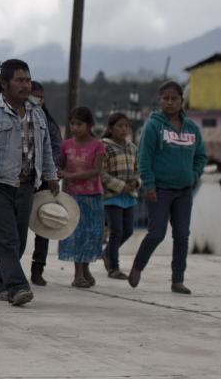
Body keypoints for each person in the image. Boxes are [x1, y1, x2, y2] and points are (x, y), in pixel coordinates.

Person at [0, 59, 59, 307]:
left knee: (18, 241)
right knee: (6, 239)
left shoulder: (37, 113)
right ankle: (18, 287)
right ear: (4, 84)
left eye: (27, 79)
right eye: (19, 80)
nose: (25, 84)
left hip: (27, 185)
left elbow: (46, 148)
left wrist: (51, 175)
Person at [129, 81, 206, 294]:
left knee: (182, 235)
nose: (170, 102)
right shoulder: (153, 125)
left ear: (182, 101)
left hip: (184, 191)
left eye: (175, 98)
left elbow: (201, 156)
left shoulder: (192, 128)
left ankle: (177, 280)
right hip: (159, 189)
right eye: (166, 98)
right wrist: (149, 184)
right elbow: (144, 156)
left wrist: (194, 175)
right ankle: (138, 266)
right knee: (157, 233)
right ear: (160, 101)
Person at [58, 106, 106, 288]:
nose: (75, 127)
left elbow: (96, 171)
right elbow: (59, 167)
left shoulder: (98, 145)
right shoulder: (66, 145)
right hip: (72, 197)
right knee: (76, 234)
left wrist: (70, 176)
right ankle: (78, 275)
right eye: (72, 123)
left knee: (91, 234)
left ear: (90, 125)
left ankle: (85, 269)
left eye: (79, 124)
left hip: (93, 196)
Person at [27, 80, 64, 286]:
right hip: (21, 180)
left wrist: (52, 173)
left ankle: (37, 269)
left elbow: (56, 149)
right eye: (34, 94)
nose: (37, 99)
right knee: (17, 227)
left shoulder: (48, 122)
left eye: (40, 95)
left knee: (45, 226)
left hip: (43, 181)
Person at [101, 112, 139, 280]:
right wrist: (121, 186)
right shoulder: (104, 147)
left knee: (128, 230)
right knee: (116, 230)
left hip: (128, 196)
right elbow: (101, 173)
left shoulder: (132, 147)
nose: (124, 129)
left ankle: (106, 253)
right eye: (119, 126)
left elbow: (138, 169)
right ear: (110, 129)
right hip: (111, 196)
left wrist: (135, 183)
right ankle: (113, 267)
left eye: (126, 126)